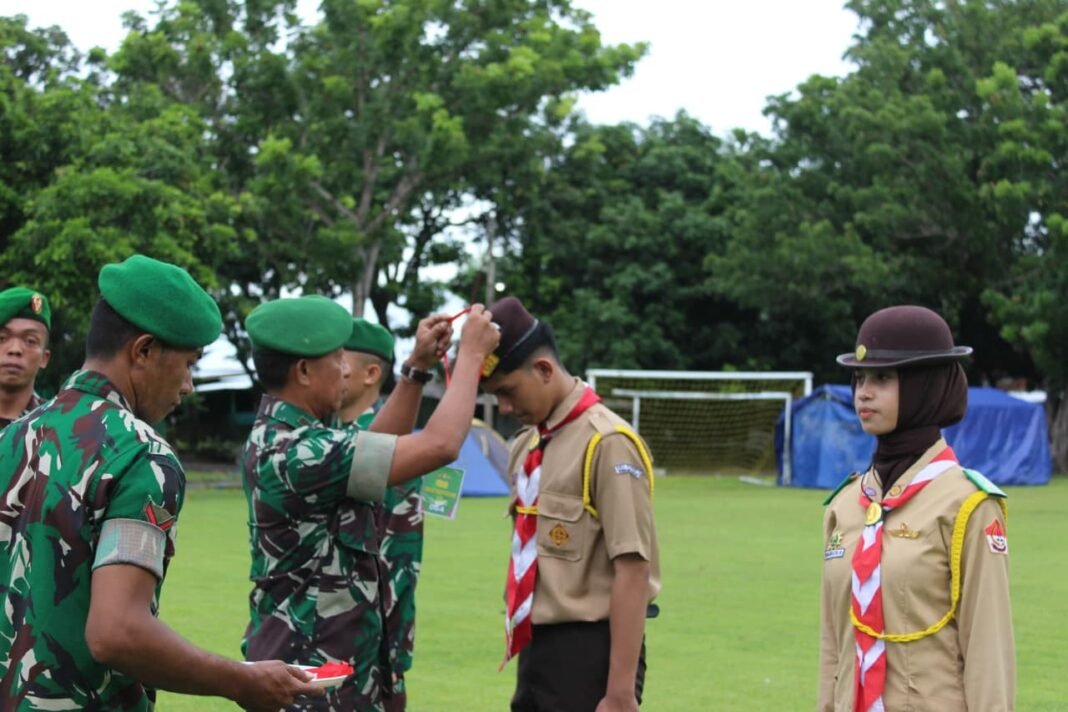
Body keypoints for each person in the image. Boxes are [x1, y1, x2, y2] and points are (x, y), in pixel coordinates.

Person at [0, 254, 323, 712]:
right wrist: (240, 681)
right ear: (144, 351)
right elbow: (117, 633)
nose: (189, 384)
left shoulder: (14, 436)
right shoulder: (141, 455)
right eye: (188, 362)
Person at [241, 296, 499, 711]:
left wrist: (415, 370)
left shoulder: (292, 438)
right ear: (304, 371)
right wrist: (469, 356)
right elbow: (441, 445)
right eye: (336, 358)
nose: (345, 368)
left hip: (335, 668)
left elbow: (375, 446)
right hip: (314, 677)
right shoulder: (299, 451)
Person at [818, 305, 1015, 712]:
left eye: (883, 378)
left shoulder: (968, 504)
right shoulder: (845, 505)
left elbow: (988, 651)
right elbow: (833, 645)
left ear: (926, 385)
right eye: (859, 378)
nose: (863, 392)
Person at [480, 297, 659, 712]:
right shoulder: (526, 443)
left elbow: (633, 568)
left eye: (507, 392)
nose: (504, 408)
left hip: (592, 650)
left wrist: (619, 693)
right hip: (536, 645)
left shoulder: (608, 443)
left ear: (543, 370)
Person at [337, 319, 424, 712]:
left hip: (367, 653)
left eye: (339, 360)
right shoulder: (329, 439)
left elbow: (398, 563)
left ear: (371, 373)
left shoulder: (388, 450)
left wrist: (392, 664)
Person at [0, 287, 52, 428]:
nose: (15, 350)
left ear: (44, 358)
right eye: (2, 338)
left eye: (30, 341)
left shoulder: (57, 425)